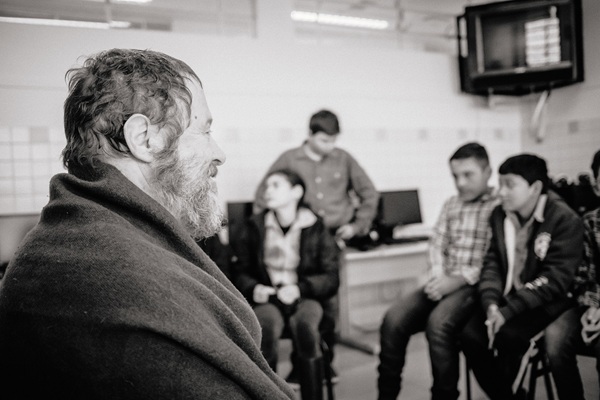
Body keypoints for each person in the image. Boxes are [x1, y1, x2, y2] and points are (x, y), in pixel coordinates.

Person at [0, 49, 295, 400]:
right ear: (143, 138)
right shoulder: (112, 281)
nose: (219, 153)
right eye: (204, 131)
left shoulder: (76, 237)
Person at [254, 108, 379, 380]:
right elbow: (263, 198)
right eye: (324, 140)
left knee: (328, 305)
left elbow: (369, 193)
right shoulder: (289, 159)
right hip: (298, 242)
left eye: (334, 140)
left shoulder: (344, 159)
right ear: (310, 135)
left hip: (332, 240)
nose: (330, 146)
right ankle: (298, 366)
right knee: (298, 303)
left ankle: (322, 364)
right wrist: (265, 235)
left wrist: (357, 226)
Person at [377, 142, 498, 400]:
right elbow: (437, 244)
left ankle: (444, 395)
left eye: (468, 175)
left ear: (488, 172)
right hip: (443, 279)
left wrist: (457, 280)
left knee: (438, 324)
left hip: (473, 285)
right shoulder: (451, 204)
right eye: (455, 176)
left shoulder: (498, 206)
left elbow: (495, 258)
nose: (460, 183)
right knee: (393, 320)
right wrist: (438, 276)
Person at [461, 153, 584, 400]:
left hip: (547, 301)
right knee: (470, 335)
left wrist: (507, 312)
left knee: (508, 338)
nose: (501, 192)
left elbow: (555, 279)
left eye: (510, 185)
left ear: (535, 188)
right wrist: (491, 303)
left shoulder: (563, 218)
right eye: (500, 184)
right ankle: (507, 396)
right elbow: (493, 264)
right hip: (510, 299)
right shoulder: (500, 214)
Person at [232, 169, 340, 400]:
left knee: (307, 328)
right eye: (267, 186)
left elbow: (331, 277)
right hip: (269, 297)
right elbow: (239, 271)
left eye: (276, 185)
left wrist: (300, 289)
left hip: (304, 296)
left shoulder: (317, 227)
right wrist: (254, 288)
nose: (267, 191)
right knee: (265, 330)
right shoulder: (253, 226)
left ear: (296, 192)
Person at [545, 149, 600, 400]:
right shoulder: (589, 223)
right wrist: (592, 307)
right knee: (555, 337)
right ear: (596, 188)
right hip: (592, 302)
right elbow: (582, 275)